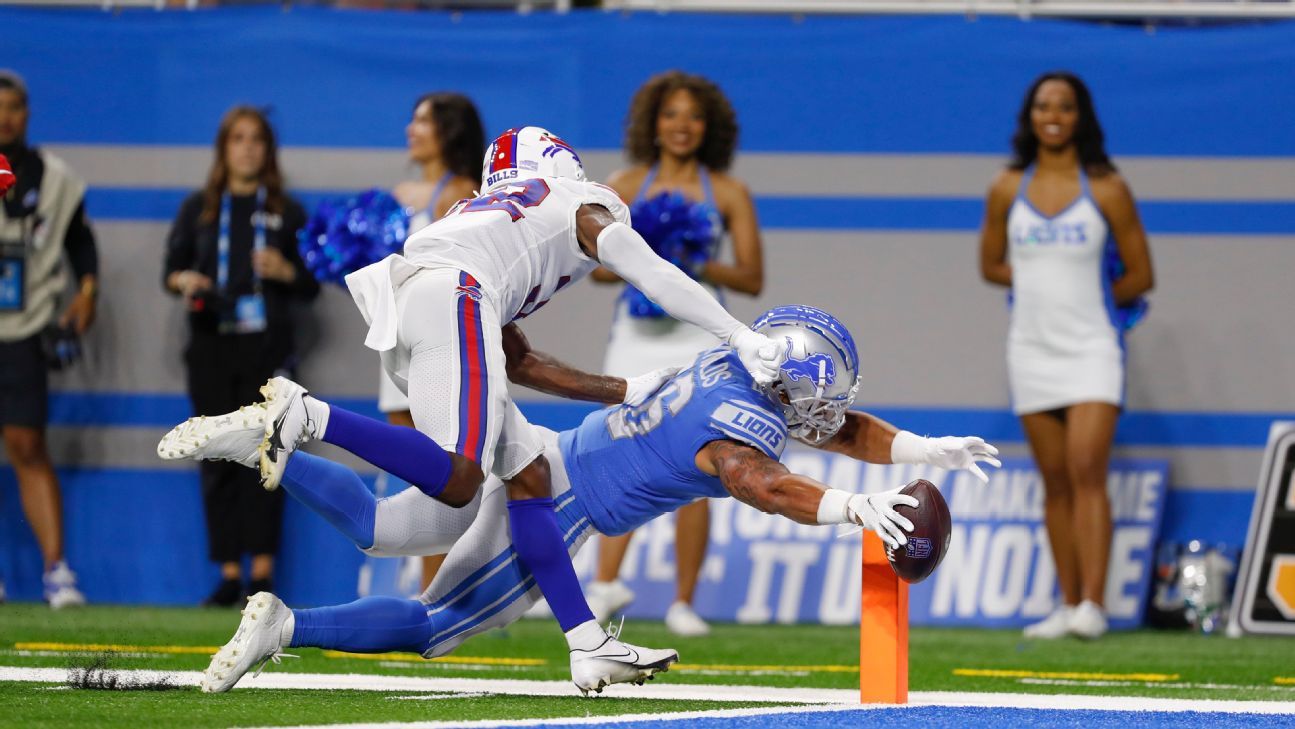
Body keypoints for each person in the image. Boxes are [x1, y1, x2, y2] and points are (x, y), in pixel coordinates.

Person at [169, 126, 786, 693]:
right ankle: (306, 418)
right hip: (455, 293)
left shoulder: (489, 220)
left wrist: (622, 390)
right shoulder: (575, 200)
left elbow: (516, 362)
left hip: (417, 299)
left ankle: (586, 642)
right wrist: (738, 334)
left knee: (497, 485)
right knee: (461, 478)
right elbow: (650, 271)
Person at [158, 305, 1000, 694]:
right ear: (788, 384)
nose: (822, 410)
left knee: (381, 524)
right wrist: (854, 508)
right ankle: (287, 624)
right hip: (560, 507)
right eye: (816, 393)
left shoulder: (729, 362)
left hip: (540, 450)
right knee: (431, 628)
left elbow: (836, 428)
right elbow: (763, 483)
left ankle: (269, 437)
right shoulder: (741, 426)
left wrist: (922, 447)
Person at [978, 71, 1153, 640]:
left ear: (1082, 116)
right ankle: (1066, 601)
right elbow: (990, 265)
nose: (1053, 114)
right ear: (1030, 116)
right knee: (1053, 480)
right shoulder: (1007, 187)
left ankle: (1093, 608)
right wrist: (1036, 282)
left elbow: (1142, 275)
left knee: (1086, 470)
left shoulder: (1106, 188)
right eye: (1042, 105)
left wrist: (1092, 296)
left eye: (1066, 106)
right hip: (1030, 348)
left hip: (1093, 348)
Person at [588, 71, 764, 636]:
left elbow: (752, 277)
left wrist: (689, 258)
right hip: (634, 338)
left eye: (692, 116)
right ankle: (606, 585)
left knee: (699, 461)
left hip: (700, 339)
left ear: (708, 126)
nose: (681, 126)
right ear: (652, 123)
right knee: (618, 456)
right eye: (670, 115)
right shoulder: (625, 185)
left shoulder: (729, 192)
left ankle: (683, 602)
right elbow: (594, 272)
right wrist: (645, 258)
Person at [162, 106, 320, 606]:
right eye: (238, 139)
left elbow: (313, 284)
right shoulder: (200, 209)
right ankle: (229, 572)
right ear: (224, 148)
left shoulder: (288, 212)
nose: (247, 148)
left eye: (256, 139)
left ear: (268, 150)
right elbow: (171, 271)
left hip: (265, 349)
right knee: (213, 454)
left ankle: (263, 573)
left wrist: (285, 271)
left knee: (267, 454)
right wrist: (186, 281)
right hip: (211, 346)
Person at [380, 93, 483, 591]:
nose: (411, 128)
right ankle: (426, 587)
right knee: (406, 467)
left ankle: (440, 590)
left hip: (440, 345)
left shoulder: (464, 193)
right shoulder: (398, 192)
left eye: (423, 120)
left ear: (449, 130)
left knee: (439, 467)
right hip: (393, 337)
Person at [0, 70, 94, 609]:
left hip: (26, 323)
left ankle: (57, 571)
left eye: (14, 106)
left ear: (28, 113)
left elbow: (80, 243)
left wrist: (88, 291)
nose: (5, 116)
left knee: (27, 445)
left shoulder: (53, 178)